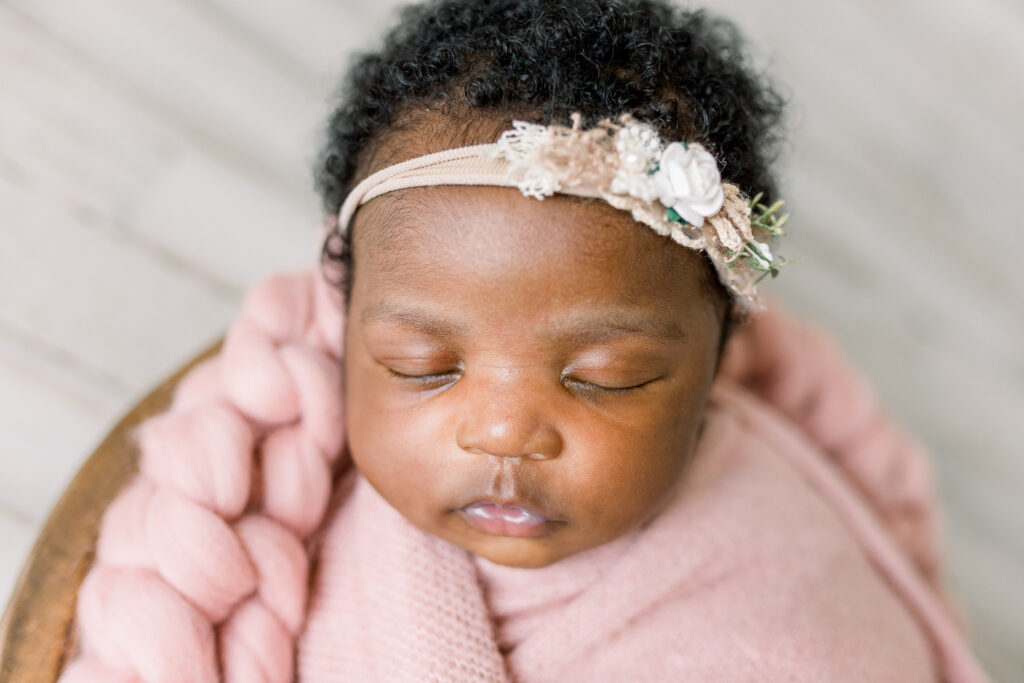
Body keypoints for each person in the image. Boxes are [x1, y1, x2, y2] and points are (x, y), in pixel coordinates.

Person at [58, 1, 987, 681]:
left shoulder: (795, 622)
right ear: (344, 315)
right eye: (423, 366)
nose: (503, 430)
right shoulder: (276, 506)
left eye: (606, 378)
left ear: (717, 360)